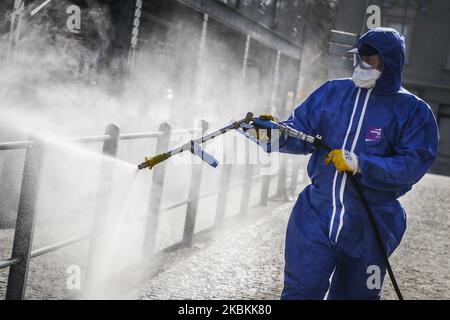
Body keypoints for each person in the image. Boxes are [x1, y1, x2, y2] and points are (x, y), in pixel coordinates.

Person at [256, 27, 439, 299]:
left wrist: (360, 163)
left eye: (370, 59)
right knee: (300, 291)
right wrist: (271, 136)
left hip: (373, 226)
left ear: (389, 62)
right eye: (359, 58)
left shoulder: (414, 111)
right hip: (316, 215)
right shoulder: (332, 92)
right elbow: (301, 133)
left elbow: (413, 164)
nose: (361, 65)